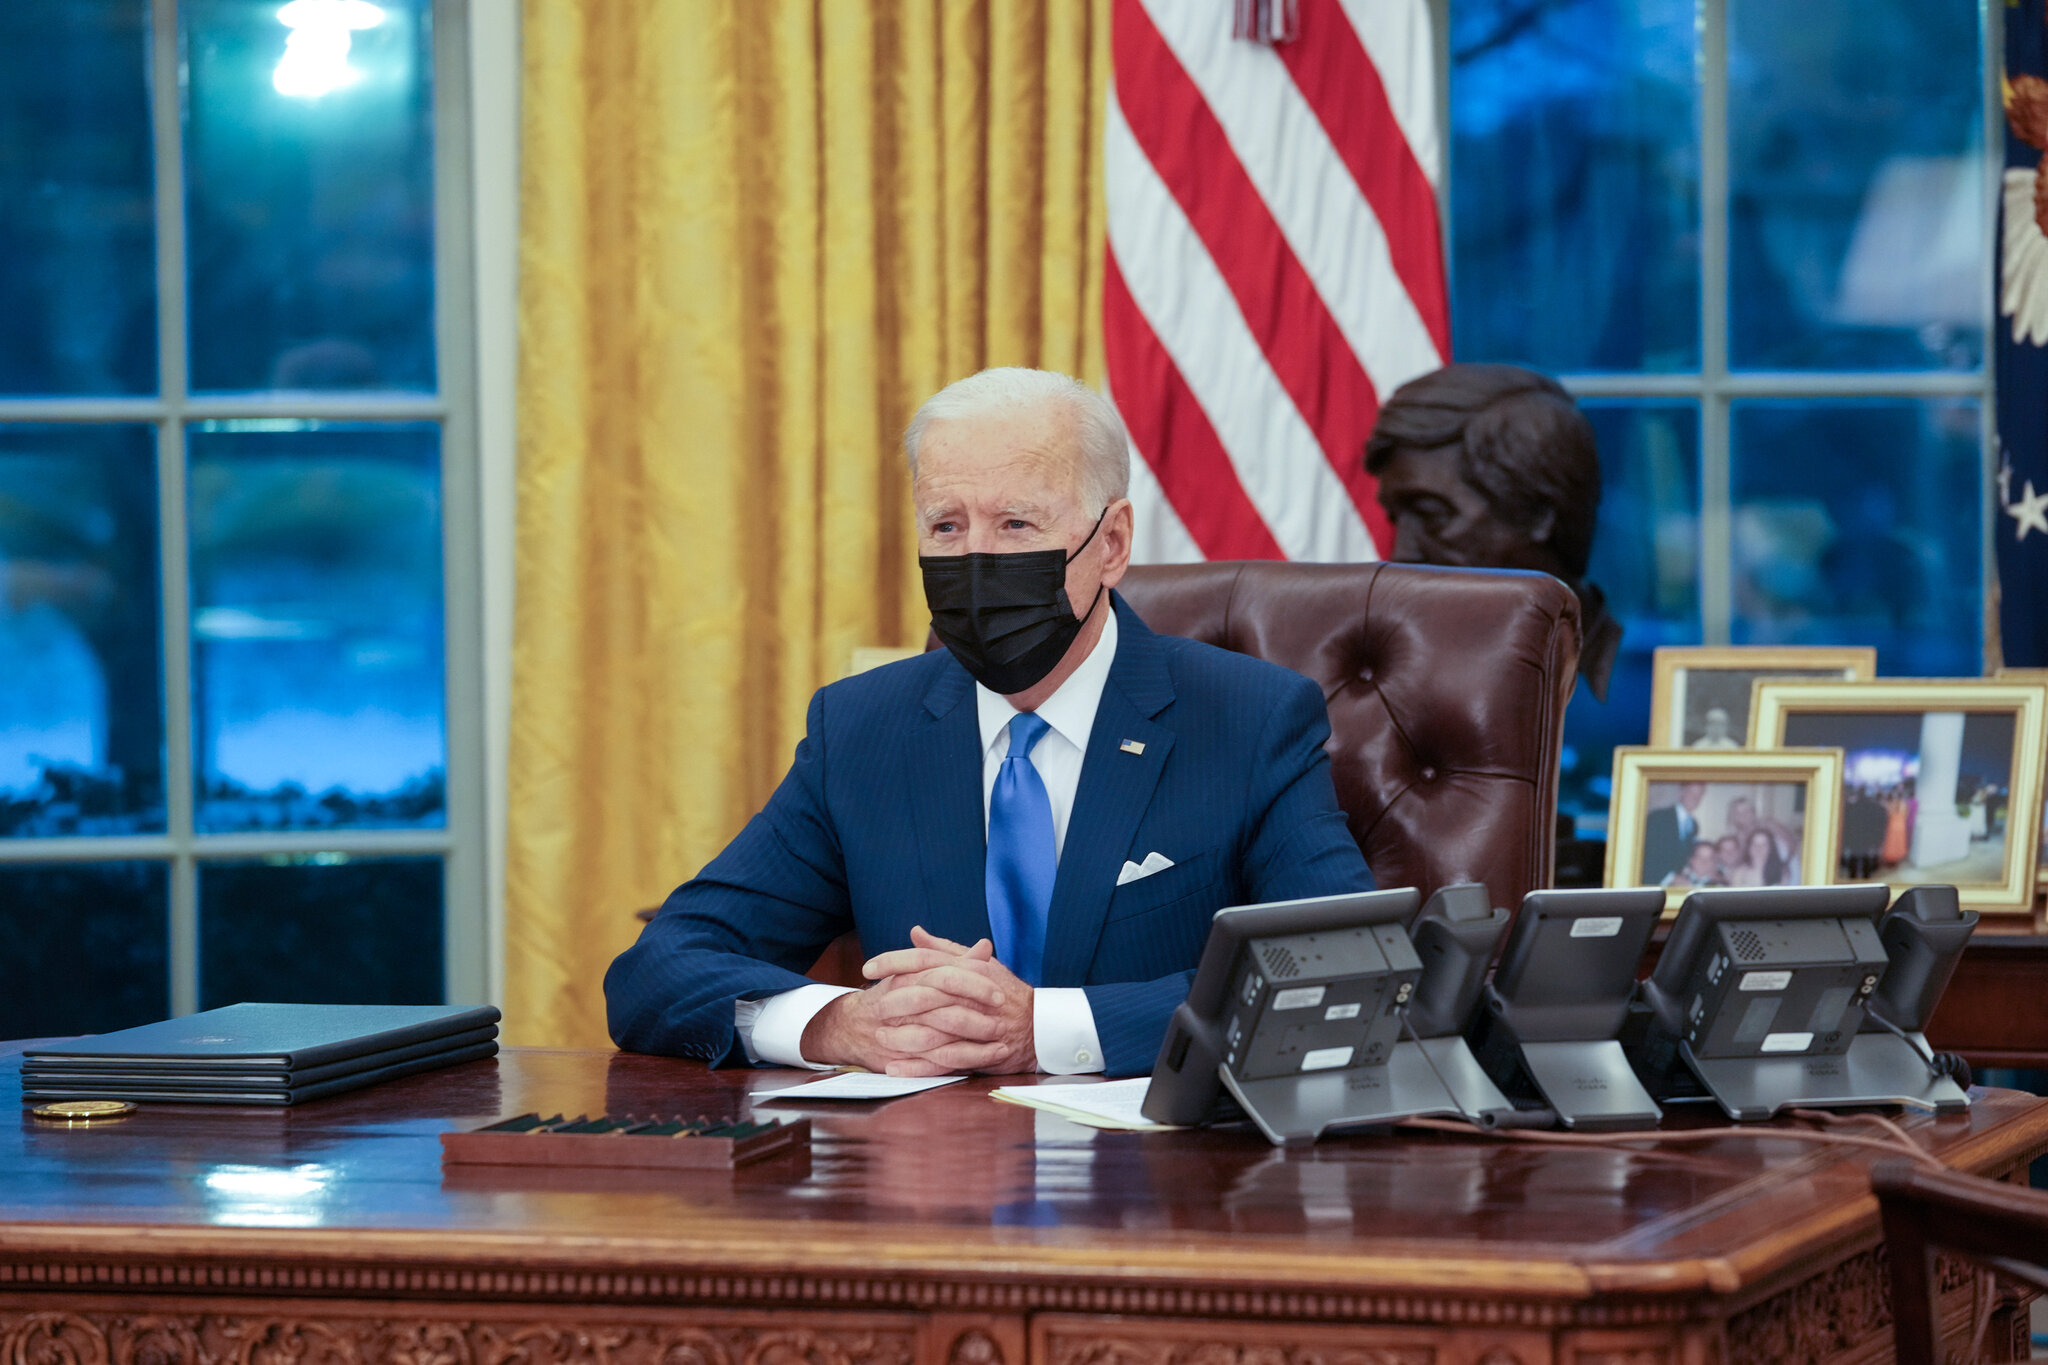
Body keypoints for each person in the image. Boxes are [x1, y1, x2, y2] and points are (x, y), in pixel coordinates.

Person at [604, 367, 1376, 1079]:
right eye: (946, 526)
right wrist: (839, 1024)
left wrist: (1043, 1028)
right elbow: (660, 967)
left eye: (1015, 523)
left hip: (1153, 1168)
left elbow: (1344, 972)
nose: (976, 559)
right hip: (926, 1163)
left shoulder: (1249, 718)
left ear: (1110, 543)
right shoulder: (862, 729)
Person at [1363, 364, 1621, 700]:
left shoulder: (1648, 679)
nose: (1402, 555)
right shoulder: (1394, 685)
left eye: (1432, 514)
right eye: (1395, 518)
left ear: (1537, 513)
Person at [1640, 782, 1706, 883]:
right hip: (1654, 882)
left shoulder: (1694, 825)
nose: (1695, 799)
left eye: (1699, 795)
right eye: (1691, 793)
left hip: (1679, 884)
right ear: (1682, 792)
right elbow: (1647, 854)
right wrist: (1671, 878)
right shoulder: (1658, 818)